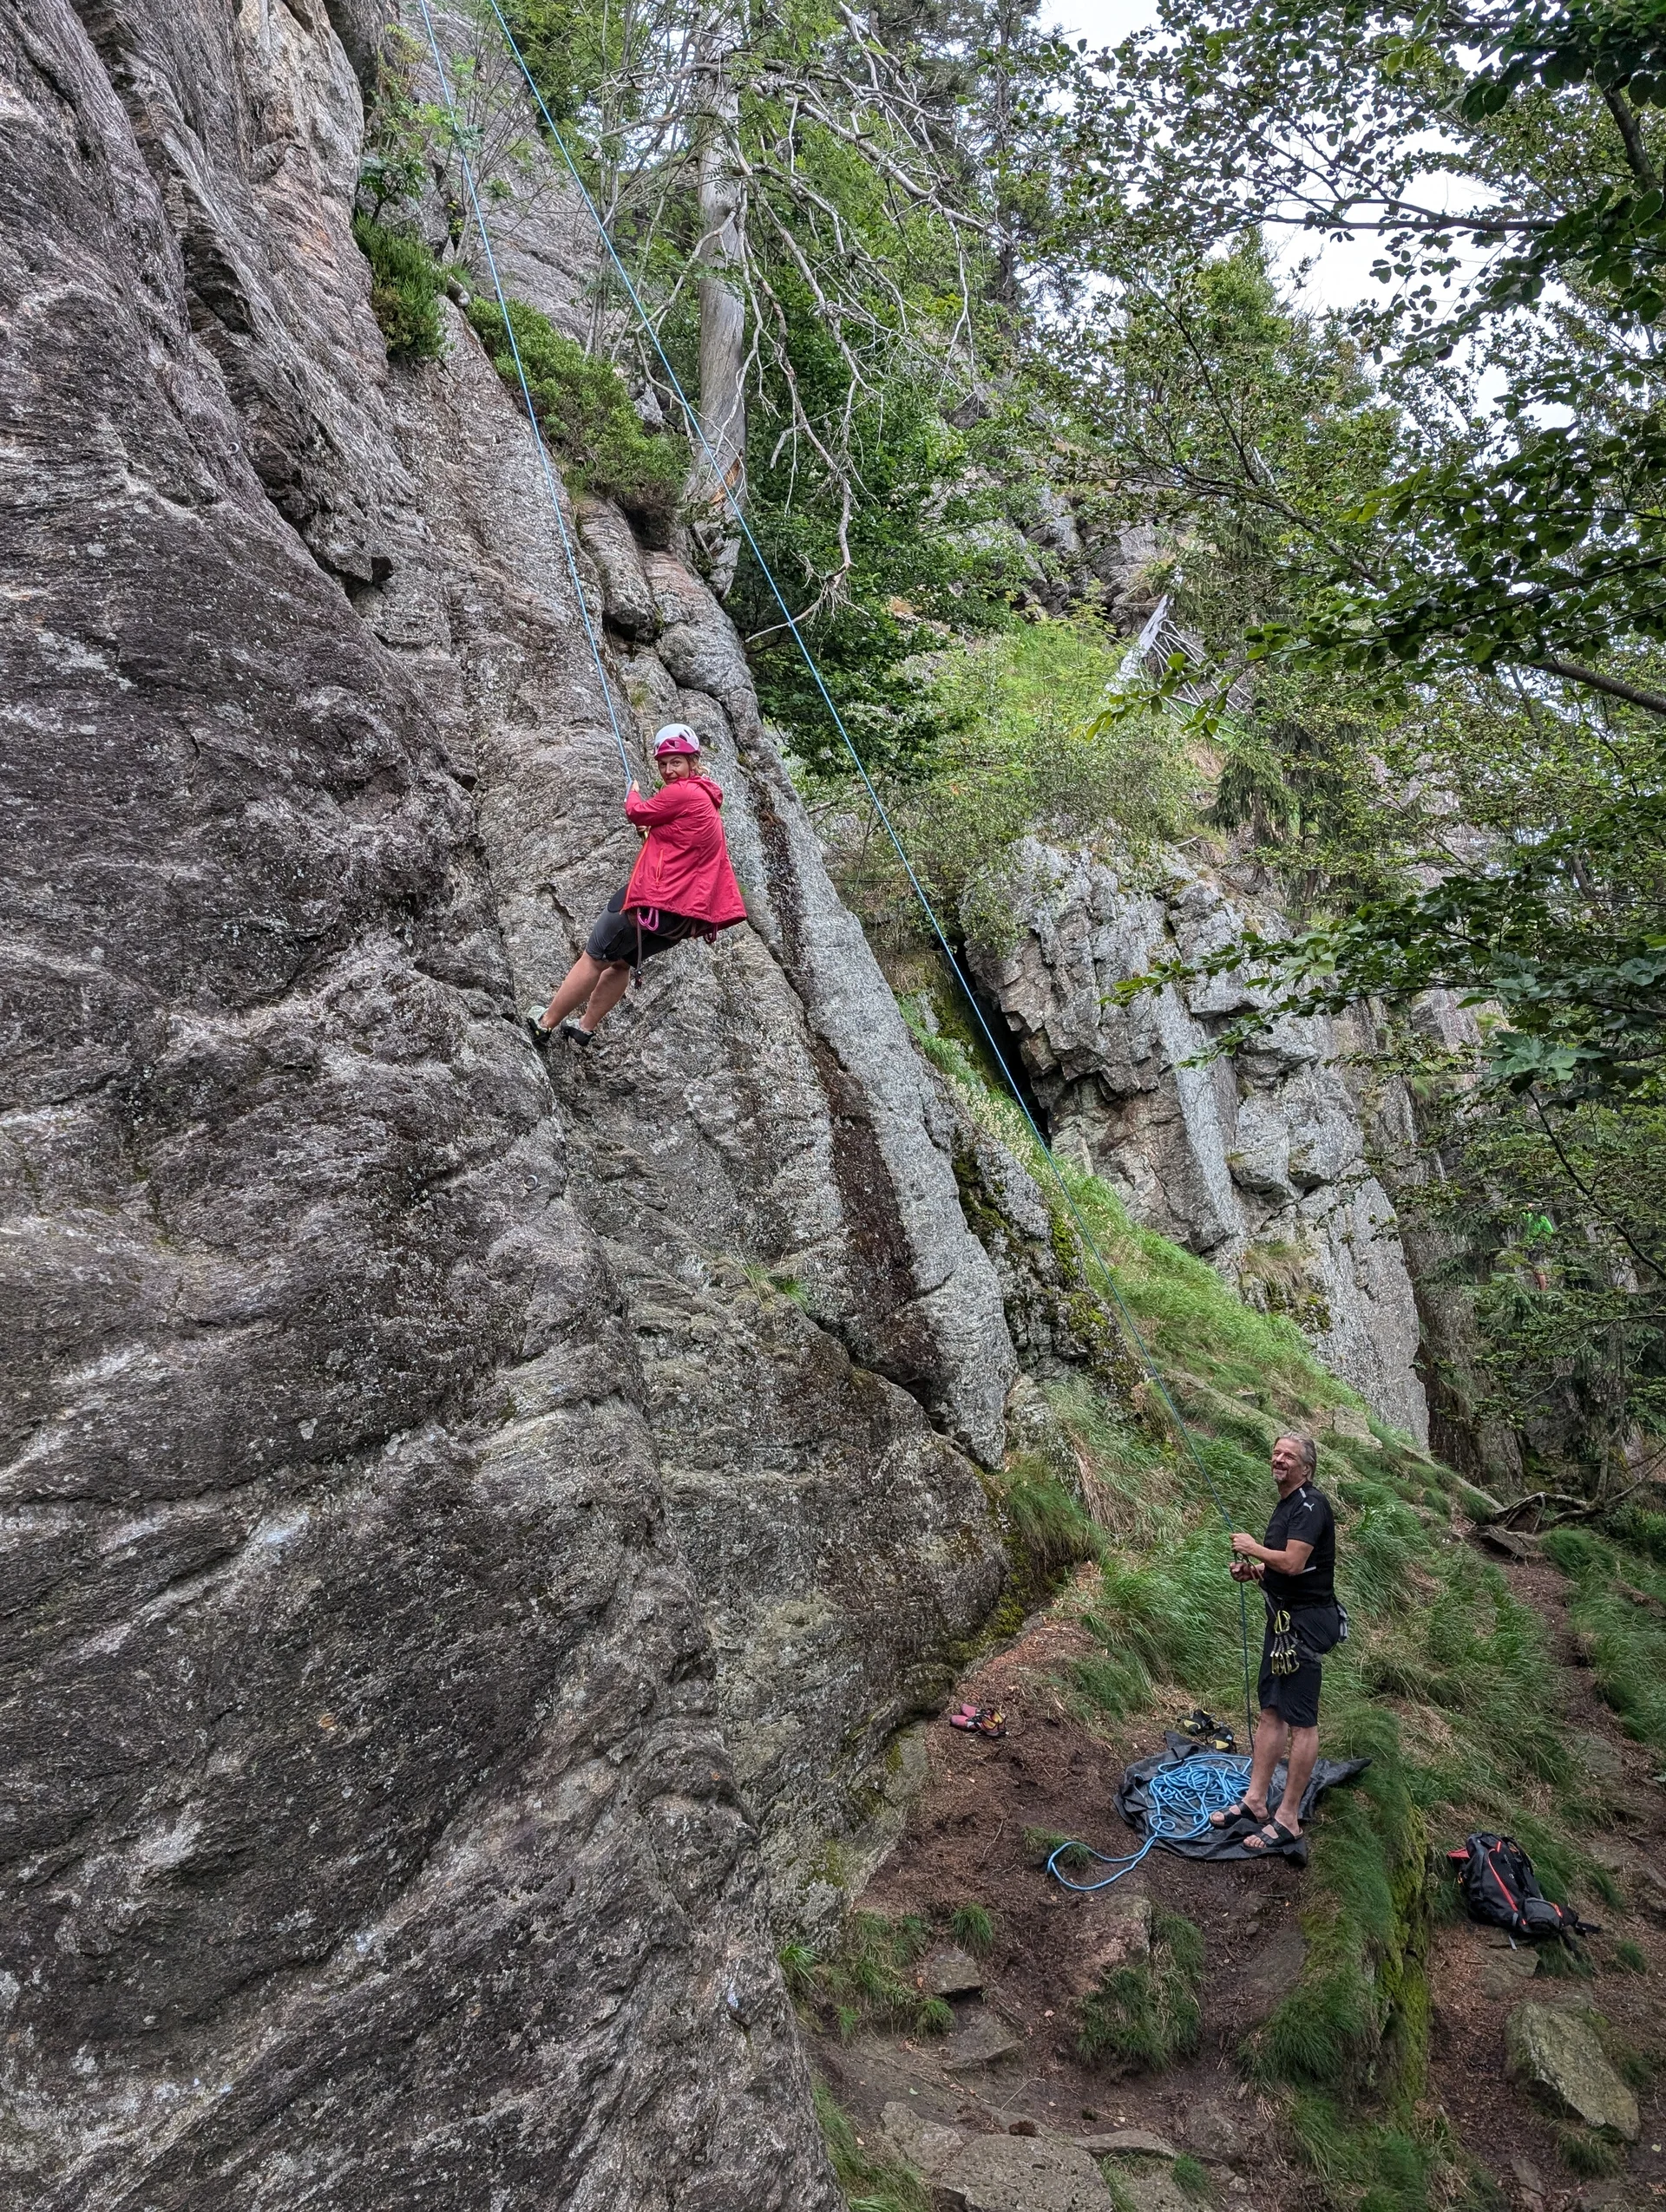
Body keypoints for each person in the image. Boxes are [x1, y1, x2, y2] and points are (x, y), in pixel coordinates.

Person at [531, 724, 748, 1046]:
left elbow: (636, 812)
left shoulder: (684, 792)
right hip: (681, 918)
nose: (668, 770)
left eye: (676, 762)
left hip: (655, 903)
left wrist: (632, 791)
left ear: (692, 762)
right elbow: (680, 842)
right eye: (663, 764)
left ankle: (545, 1023)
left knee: (594, 956)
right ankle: (584, 1028)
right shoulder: (706, 799)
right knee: (621, 962)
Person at [1210, 1433, 1344, 1862]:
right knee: (1271, 1709)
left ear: (1307, 1469)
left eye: (1290, 1456)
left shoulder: (1310, 1505)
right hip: (1283, 1618)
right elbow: (1283, 1571)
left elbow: (1294, 1562)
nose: (1280, 1459)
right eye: (1277, 1452)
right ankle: (1255, 1800)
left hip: (1304, 1623)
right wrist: (1253, 1572)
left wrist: (1254, 1549)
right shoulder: (1288, 1504)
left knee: (1302, 1720)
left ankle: (1287, 1817)